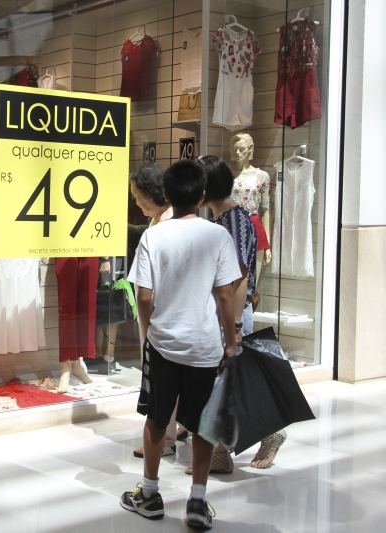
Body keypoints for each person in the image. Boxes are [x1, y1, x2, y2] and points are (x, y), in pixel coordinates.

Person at [121, 159, 240, 529]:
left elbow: (143, 296)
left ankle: (151, 494)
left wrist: (148, 331)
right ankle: (197, 502)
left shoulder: (153, 236)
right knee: (203, 424)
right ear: (202, 195)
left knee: (157, 419)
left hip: (163, 344)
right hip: (205, 347)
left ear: (167, 195)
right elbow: (224, 294)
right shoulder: (218, 235)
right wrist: (231, 341)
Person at [197, 155, 287, 471]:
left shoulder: (233, 221)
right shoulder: (228, 219)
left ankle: (233, 448)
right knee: (228, 381)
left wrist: (233, 325)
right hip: (228, 313)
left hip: (232, 314)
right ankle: (227, 449)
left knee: (227, 380)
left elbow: (239, 276)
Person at [128, 163, 190, 458]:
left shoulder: (163, 227)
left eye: (139, 197)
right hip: (168, 310)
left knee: (160, 377)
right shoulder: (164, 222)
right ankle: (172, 430)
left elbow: (145, 288)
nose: (137, 203)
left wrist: (148, 321)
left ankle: (163, 439)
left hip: (158, 311)